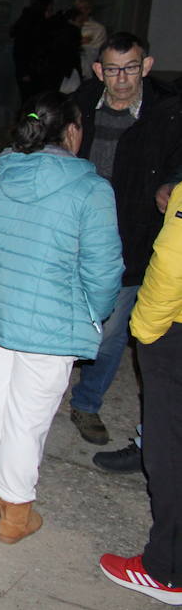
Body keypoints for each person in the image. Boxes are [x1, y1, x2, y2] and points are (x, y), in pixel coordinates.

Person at [0, 92, 121, 543]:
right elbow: (104, 271)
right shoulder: (91, 188)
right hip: (52, 326)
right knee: (27, 419)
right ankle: (15, 511)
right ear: (70, 131)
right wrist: (92, 314)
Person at [65, 33, 182, 457]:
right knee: (63, 318)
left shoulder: (168, 113)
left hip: (133, 237)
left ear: (146, 66)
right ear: (99, 70)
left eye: (130, 67)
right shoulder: (79, 106)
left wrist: (171, 184)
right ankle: (43, 394)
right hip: (76, 233)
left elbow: (178, 162)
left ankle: (86, 403)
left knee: (112, 333)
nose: (121, 78)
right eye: (112, 69)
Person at [99, 183, 182, 604]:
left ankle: (166, 570)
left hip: (175, 329)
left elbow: (172, 262)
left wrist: (145, 331)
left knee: (169, 449)